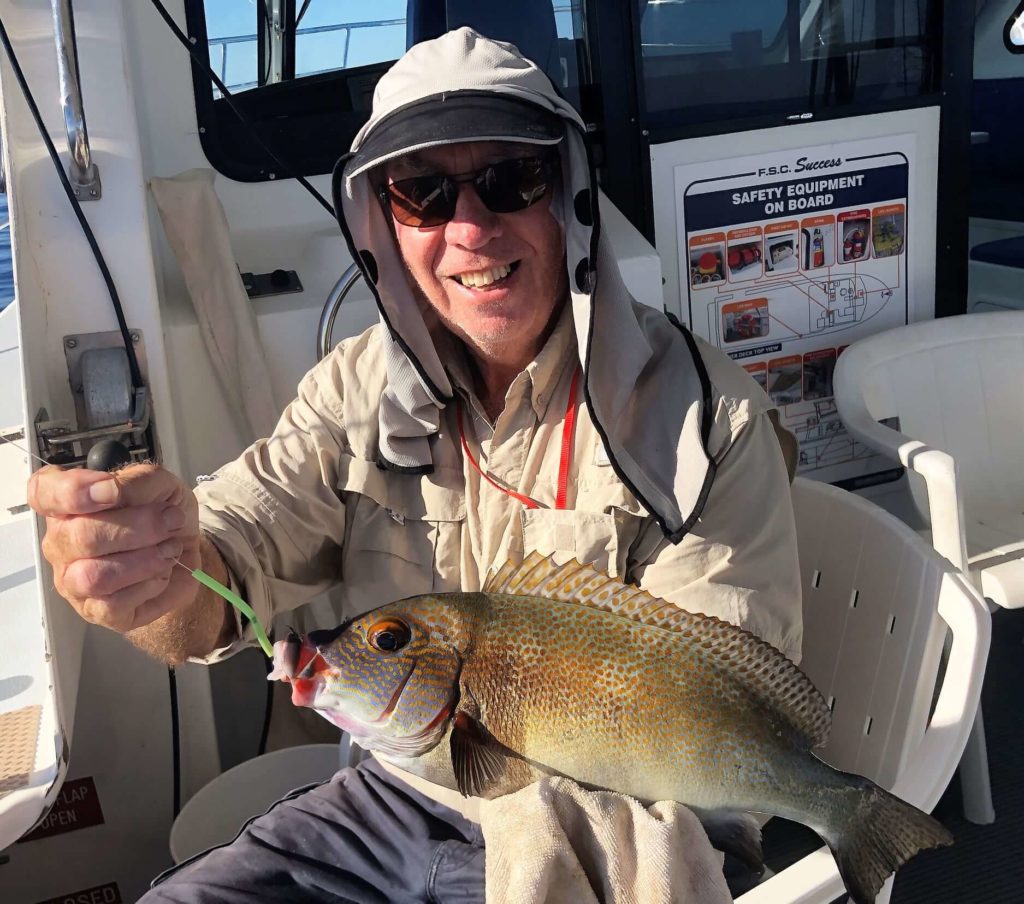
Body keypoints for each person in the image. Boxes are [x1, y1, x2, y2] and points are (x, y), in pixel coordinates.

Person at [27, 28, 801, 903]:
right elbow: (224, 563)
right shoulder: (350, 391)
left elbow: (725, 710)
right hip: (393, 800)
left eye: (513, 180)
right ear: (383, 226)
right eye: (422, 194)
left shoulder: (708, 421)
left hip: (614, 830)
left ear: (570, 199)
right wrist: (155, 578)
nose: (469, 227)